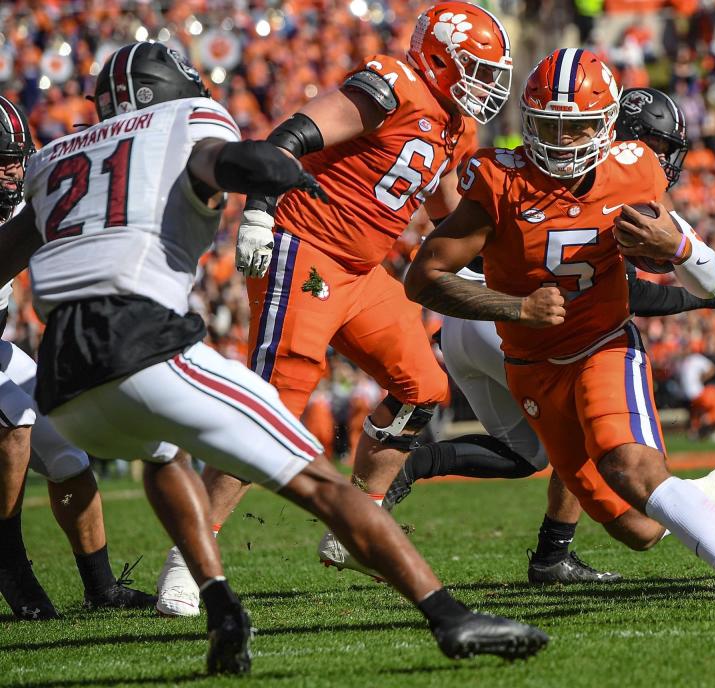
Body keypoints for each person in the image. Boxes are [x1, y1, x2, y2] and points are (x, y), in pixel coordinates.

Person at [0, 42, 545, 672]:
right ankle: (447, 616)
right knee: (280, 421)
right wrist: (262, 201)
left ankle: (239, 584)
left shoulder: (55, 158)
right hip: (274, 265)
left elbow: (12, 248)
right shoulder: (199, 119)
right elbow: (256, 150)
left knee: (421, 383)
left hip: (68, 375)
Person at [405, 48, 715, 622]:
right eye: (549, 127)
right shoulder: (497, 179)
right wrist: (514, 306)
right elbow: (422, 279)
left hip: (602, 346)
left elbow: (708, 277)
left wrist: (679, 249)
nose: (562, 144)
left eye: (578, 129)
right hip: (530, 364)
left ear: (607, 124)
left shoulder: (636, 168)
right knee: (638, 529)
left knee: (630, 467)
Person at [155, 1, 515, 614]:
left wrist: (509, 250)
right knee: (273, 405)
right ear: (436, 58)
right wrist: (260, 210)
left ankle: (357, 522)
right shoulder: (393, 83)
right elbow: (291, 136)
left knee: (422, 385)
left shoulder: (458, 126)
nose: (485, 86)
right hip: (305, 247)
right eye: (474, 69)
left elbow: (451, 217)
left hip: (361, 269)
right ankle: (190, 560)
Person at [0, 95, 154, 620]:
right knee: (15, 420)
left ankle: (101, 586)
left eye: (18, 158)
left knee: (67, 451)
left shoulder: (22, 200)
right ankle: (9, 562)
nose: (14, 172)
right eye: (3, 161)